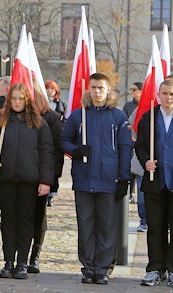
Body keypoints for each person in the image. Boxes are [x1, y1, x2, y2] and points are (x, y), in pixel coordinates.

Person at [61, 72, 132, 285]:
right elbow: (64, 140)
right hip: (84, 179)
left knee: (106, 226)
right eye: (93, 87)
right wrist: (75, 150)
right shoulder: (78, 115)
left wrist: (124, 177)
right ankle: (88, 266)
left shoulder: (118, 117)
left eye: (101, 87)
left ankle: (102, 268)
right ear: (88, 89)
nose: (97, 91)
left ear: (108, 90)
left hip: (109, 180)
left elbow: (125, 148)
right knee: (85, 225)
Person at [0, 83, 54, 280]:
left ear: (27, 100)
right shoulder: (0, 121)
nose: (16, 102)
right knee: (8, 220)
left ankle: (22, 261)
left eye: (20, 99)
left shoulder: (39, 123)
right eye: (13, 98)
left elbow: (47, 153)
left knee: (25, 220)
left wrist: (45, 180)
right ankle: (8, 260)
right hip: (6, 179)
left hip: (29, 180)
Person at [135, 79, 173, 287]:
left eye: (172, 94)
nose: (168, 98)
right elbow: (139, 146)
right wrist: (145, 161)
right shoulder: (149, 117)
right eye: (165, 93)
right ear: (159, 94)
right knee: (156, 227)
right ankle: (155, 268)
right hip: (154, 181)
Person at [28, 86, 65, 273]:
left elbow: (57, 152)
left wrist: (51, 179)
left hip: (41, 177)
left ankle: (35, 255)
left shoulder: (51, 119)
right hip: (23, 176)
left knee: (38, 217)